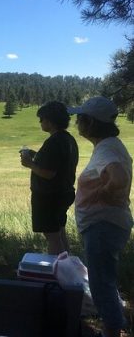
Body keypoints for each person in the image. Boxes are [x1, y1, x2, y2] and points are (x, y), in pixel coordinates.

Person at [68, 96, 132, 337]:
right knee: (104, 278)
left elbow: (119, 178)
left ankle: (111, 330)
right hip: (105, 225)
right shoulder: (109, 145)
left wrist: (98, 195)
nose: (76, 122)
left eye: (80, 118)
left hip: (103, 225)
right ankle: (114, 322)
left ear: (91, 124)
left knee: (100, 283)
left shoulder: (107, 148)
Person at [20, 101, 79, 255]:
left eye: (42, 119)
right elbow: (56, 163)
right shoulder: (68, 139)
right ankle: (68, 267)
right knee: (59, 233)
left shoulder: (54, 142)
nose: (40, 122)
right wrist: (36, 154)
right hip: (63, 193)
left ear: (50, 121)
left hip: (49, 197)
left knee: (52, 237)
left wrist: (29, 163)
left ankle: (57, 273)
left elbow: (49, 173)